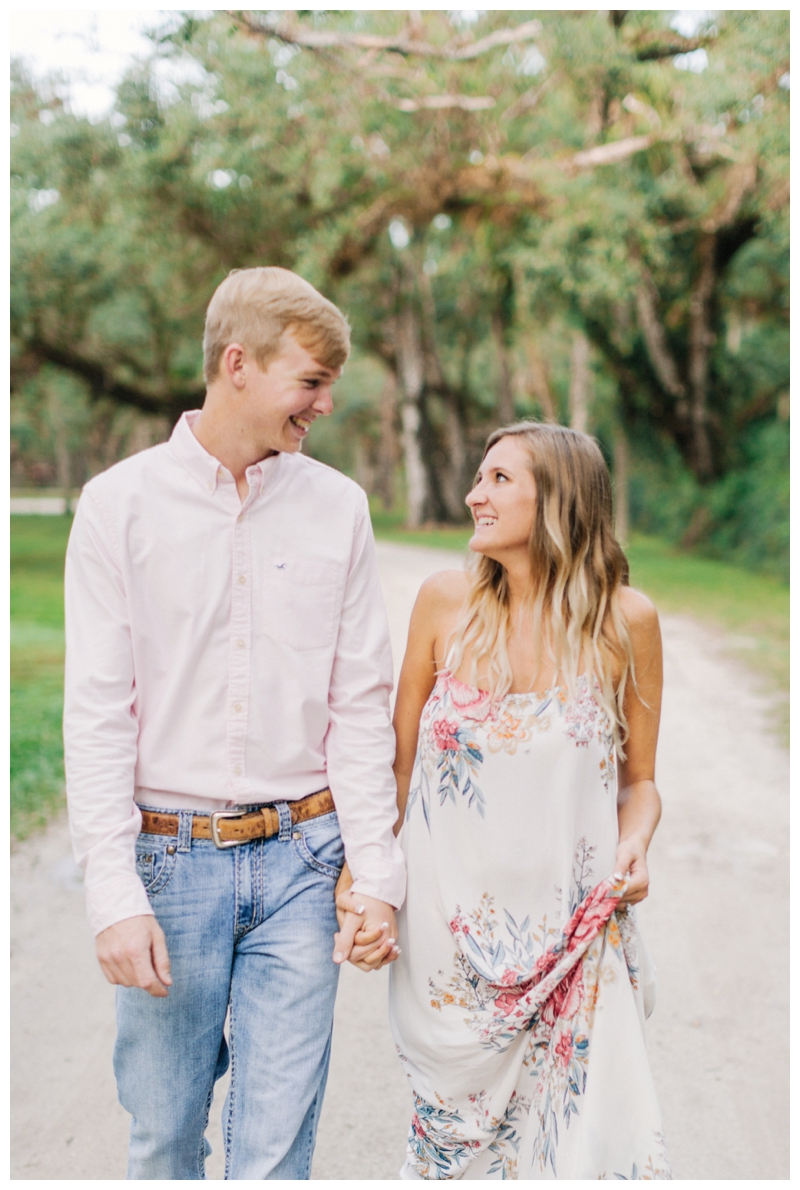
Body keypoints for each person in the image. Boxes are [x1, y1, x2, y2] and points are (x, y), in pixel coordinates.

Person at [63, 266, 403, 1180]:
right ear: (238, 363)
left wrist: (377, 870)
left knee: (275, 1155)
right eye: (312, 380)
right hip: (169, 863)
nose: (326, 403)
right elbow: (98, 711)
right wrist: (114, 894)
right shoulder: (119, 506)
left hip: (304, 858)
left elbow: (359, 706)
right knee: (166, 1141)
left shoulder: (340, 510)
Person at [383, 422, 669, 1179]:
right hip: (448, 943)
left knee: (568, 1154)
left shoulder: (626, 623)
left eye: (499, 479)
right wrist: (368, 886)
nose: (476, 494)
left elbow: (640, 782)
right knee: (454, 1152)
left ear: (559, 497)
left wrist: (635, 843)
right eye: (480, 478)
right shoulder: (443, 605)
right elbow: (396, 768)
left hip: (577, 930)